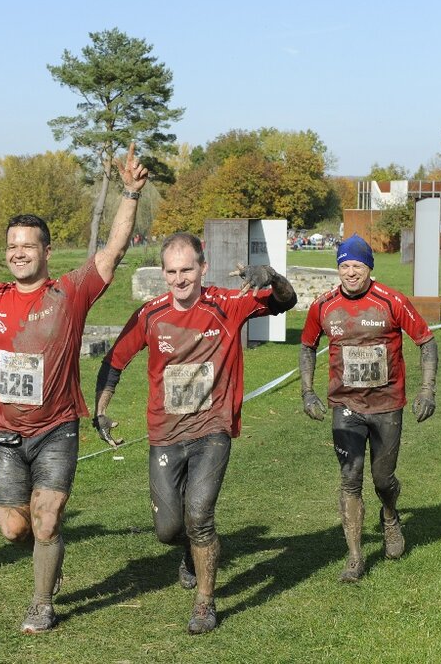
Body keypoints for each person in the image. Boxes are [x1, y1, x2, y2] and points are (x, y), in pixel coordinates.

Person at [0, 145, 148, 634]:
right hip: (7, 435)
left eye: (28, 245)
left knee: (46, 519)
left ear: (45, 251)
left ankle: (42, 602)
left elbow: (114, 249)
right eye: (12, 245)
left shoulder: (69, 292)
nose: (18, 252)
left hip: (57, 429)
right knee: (15, 528)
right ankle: (47, 559)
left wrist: (129, 193)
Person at [92, 233, 296, 635]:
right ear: (163, 273)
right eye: (172, 271)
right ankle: (187, 550)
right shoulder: (149, 315)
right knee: (169, 529)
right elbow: (114, 361)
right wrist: (101, 410)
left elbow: (285, 301)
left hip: (212, 429)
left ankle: (204, 602)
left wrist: (271, 274)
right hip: (165, 432)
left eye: (187, 269)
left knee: (199, 514)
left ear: (203, 269)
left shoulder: (227, 304)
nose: (180, 279)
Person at [299, 234, 437, 583]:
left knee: (382, 479)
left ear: (369, 268)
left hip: (387, 404)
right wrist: (307, 393)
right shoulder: (324, 306)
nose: (349, 273)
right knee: (349, 479)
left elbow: (426, 341)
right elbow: (305, 347)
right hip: (345, 405)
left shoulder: (391, 301)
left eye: (356, 266)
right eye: (344, 266)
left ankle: (389, 515)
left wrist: (427, 390)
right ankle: (355, 557)